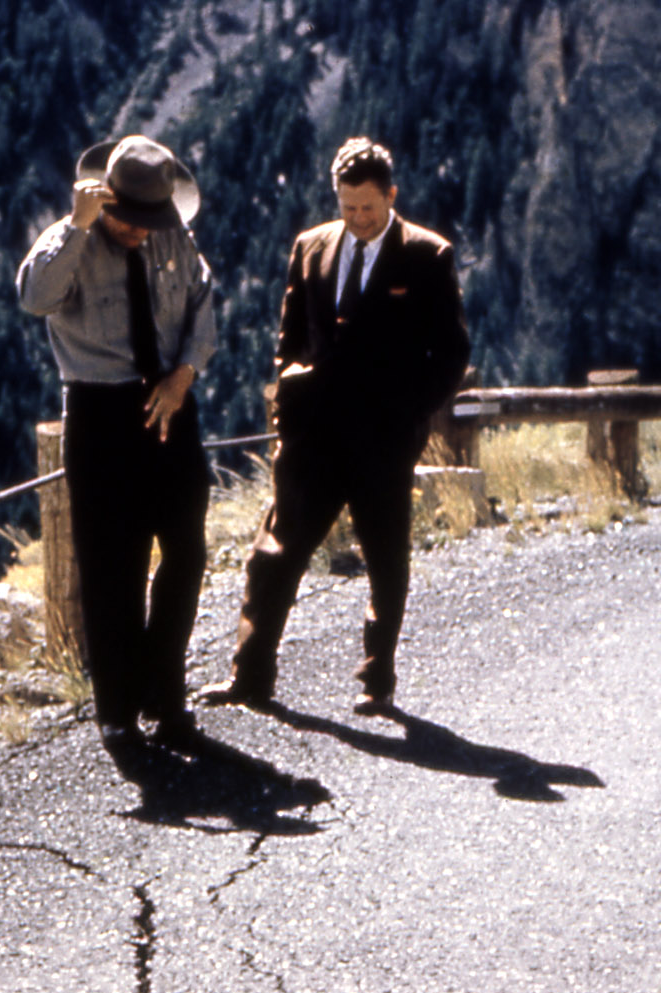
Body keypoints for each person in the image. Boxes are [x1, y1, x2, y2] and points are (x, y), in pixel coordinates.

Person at [200, 138, 471, 717]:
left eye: (368, 208)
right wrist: (287, 411)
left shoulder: (428, 255)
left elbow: (451, 356)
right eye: (347, 207)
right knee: (274, 552)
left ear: (391, 196)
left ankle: (377, 677)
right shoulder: (311, 247)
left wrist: (409, 414)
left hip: (383, 441)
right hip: (313, 440)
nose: (357, 219)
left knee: (385, 557)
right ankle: (248, 676)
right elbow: (290, 340)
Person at [16, 135, 216, 750]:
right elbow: (34, 297)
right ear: (103, 199)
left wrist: (184, 373)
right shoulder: (69, 240)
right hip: (102, 415)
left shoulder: (172, 234)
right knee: (113, 569)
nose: (138, 232)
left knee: (186, 553)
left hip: (171, 404)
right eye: (128, 219)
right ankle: (119, 712)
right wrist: (76, 230)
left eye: (149, 221)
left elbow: (203, 304)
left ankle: (164, 683)